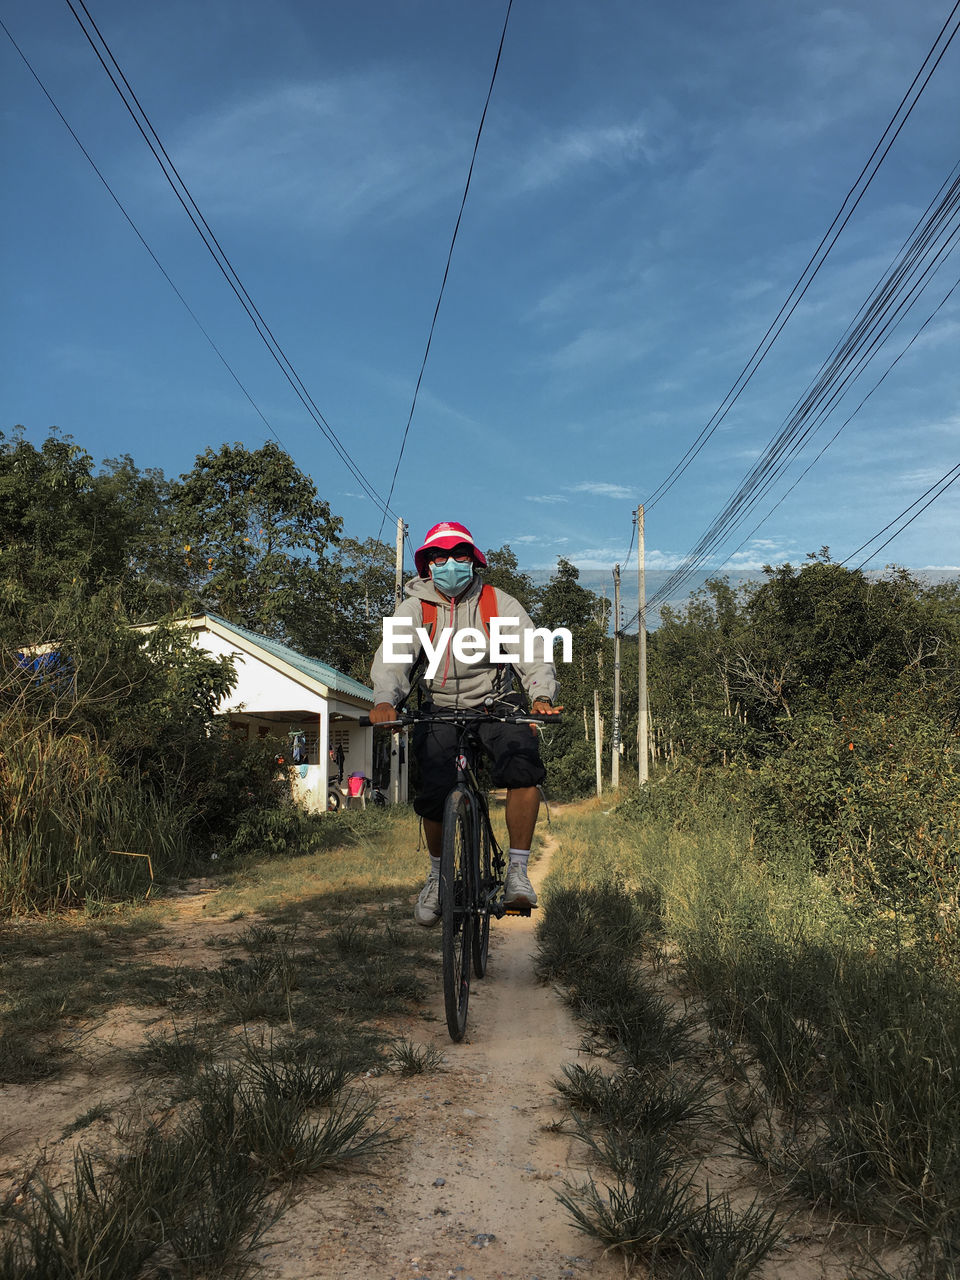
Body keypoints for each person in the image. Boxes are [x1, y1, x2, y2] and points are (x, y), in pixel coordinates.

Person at [369, 521, 562, 925]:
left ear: (473, 561)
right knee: (435, 788)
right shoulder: (415, 609)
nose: (450, 563)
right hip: (440, 706)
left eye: (459, 555)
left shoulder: (496, 602)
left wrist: (541, 695)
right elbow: (393, 657)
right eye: (440, 556)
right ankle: (438, 877)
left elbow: (532, 651)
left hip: (496, 704)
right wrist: (386, 700)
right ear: (427, 564)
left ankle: (517, 874)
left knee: (522, 765)